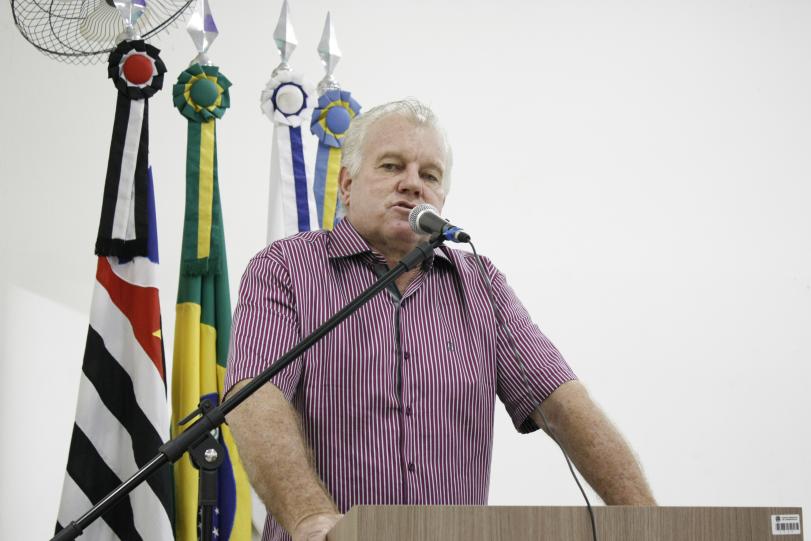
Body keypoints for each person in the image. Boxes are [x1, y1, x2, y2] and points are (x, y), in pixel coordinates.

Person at [224, 99, 656, 541]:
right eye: (392, 166)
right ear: (347, 184)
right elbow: (255, 398)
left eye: (430, 175)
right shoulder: (285, 268)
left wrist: (646, 521)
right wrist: (311, 519)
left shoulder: (482, 283)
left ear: (441, 200)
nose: (413, 184)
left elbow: (563, 404)